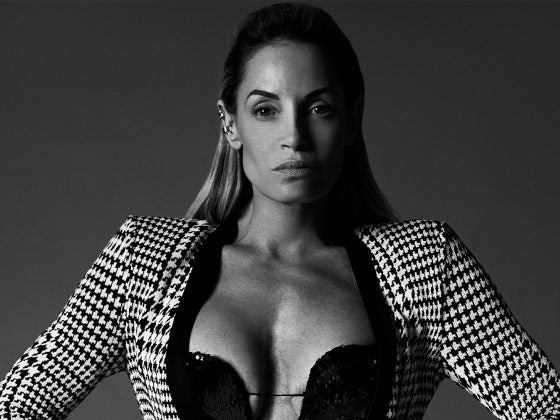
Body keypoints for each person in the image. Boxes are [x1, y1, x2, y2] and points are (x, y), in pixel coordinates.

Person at [1, 2, 559, 419]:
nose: (295, 137)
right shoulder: (144, 264)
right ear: (231, 125)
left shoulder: (424, 269)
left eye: (318, 108)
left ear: (352, 120)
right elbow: (19, 404)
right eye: (265, 110)